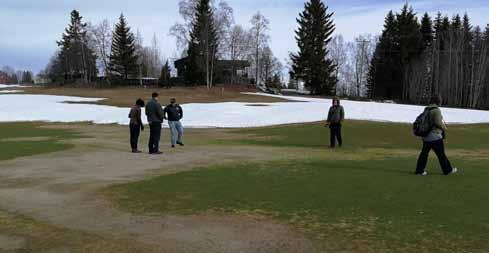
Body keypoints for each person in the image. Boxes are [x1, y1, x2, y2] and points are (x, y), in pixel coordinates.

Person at [415, 95, 458, 176]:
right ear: (437, 101)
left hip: (426, 136)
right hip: (435, 136)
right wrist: (444, 128)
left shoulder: (426, 109)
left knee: (424, 154)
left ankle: (419, 171)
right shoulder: (436, 110)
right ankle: (447, 170)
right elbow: (438, 122)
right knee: (441, 154)